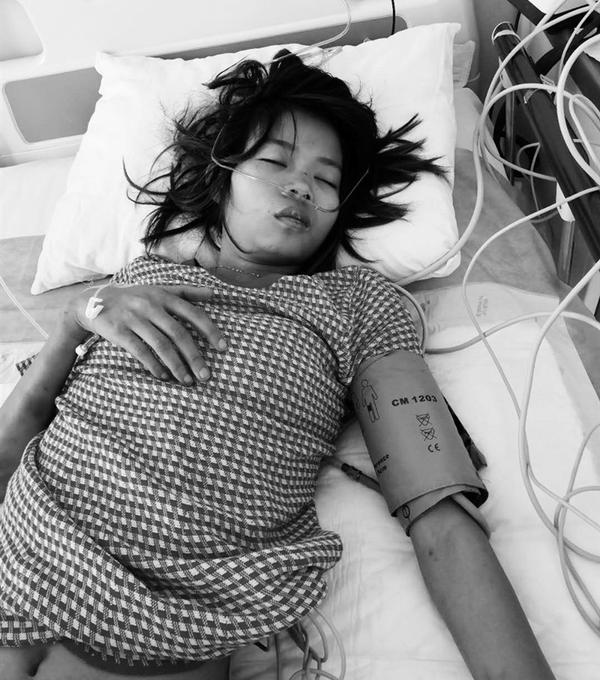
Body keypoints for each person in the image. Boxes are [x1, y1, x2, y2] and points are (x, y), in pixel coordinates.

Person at [0, 51, 556, 680]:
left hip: (153, 626)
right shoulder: (140, 279)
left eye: (326, 178)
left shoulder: (360, 307)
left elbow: (438, 509)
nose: (300, 186)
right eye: (274, 162)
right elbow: (17, 441)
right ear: (222, 175)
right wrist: (77, 316)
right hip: (18, 554)